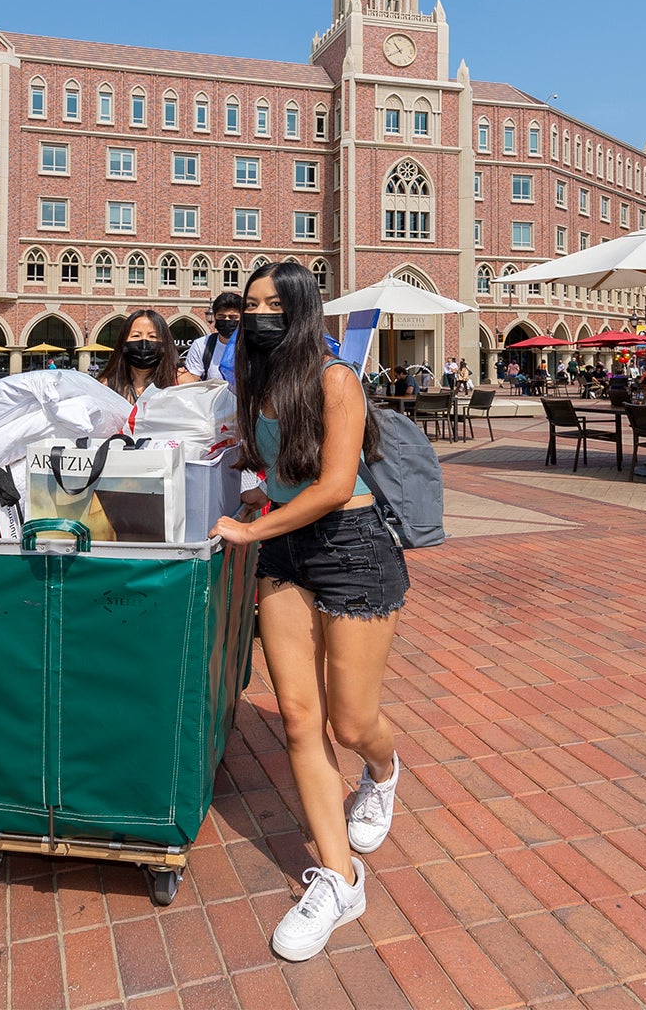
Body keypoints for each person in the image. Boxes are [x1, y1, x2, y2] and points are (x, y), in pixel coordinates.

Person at [210, 261, 407, 962]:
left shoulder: (336, 379)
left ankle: (383, 773)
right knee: (299, 716)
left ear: (299, 310)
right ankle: (339, 878)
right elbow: (283, 472)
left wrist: (251, 528)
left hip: (350, 545)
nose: (257, 315)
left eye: (271, 305)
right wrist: (245, 467)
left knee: (351, 721)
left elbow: (329, 485)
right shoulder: (254, 383)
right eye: (249, 304)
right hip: (285, 552)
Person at [98, 309, 196, 404]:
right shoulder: (106, 385)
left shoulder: (181, 381)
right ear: (123, 342)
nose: (144, 343)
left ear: (165, 343)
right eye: (136, 336)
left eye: (152, 336)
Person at [183, 292, 244, 382]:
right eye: (221, 316)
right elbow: (191, 383)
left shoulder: (252, 346)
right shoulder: (201, 345)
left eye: (233, 317)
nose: (227, 320)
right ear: (215, 317)